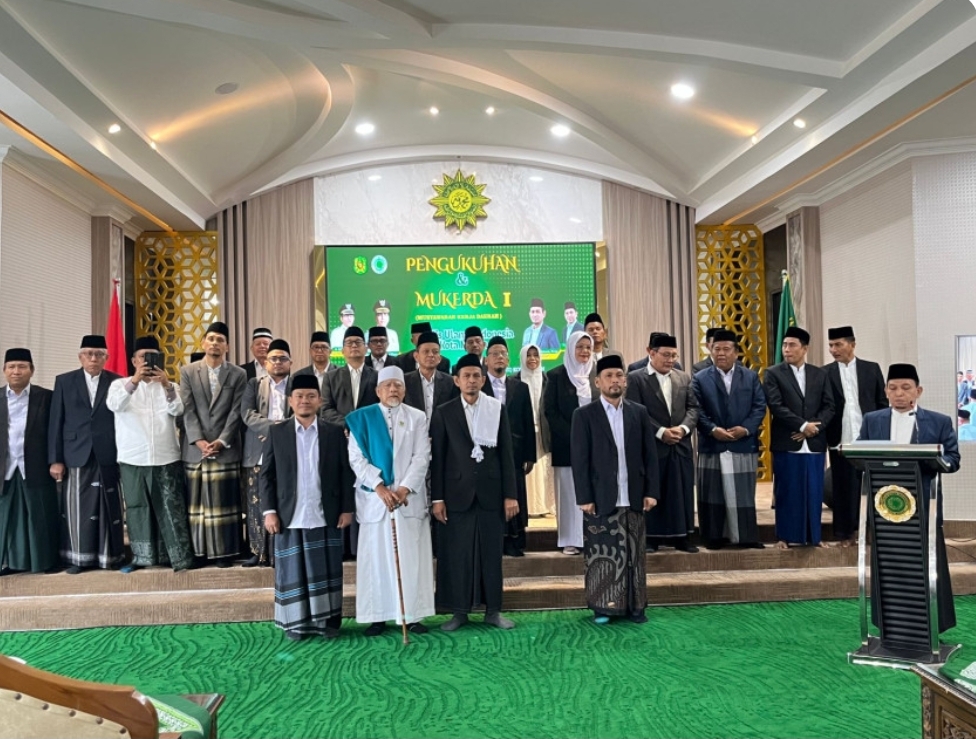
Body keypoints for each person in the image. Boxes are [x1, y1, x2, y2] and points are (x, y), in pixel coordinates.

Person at [858, 363, 961, 633]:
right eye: (893, 388)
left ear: (918, 391)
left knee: (926, 565)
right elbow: (859, 455)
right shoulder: (872, 420)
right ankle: (890, 626)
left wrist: (931, 461)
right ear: (885, 391)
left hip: (924, 505)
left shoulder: (938, 421)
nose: (899, 394)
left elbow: (953, 459)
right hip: (884, 507)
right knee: (887, 565)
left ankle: (931, 627)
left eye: (905, 388)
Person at [260, 374, 354, 641]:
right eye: (299, 396)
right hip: (288, 514)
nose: (305, 401)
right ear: (290, 401)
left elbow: (345, 473)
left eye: (311, 396)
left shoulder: (334, 433)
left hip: (326, 513)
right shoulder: (277, 432)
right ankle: (295, 625)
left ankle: (328, 624)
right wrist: (269, 511)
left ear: (320, 401)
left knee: (326, 572)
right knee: (293, 573)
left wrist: (347, 508)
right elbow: (266, 476)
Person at [430, 353, 519, 631]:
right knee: (457, 555)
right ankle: (459, 612)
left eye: (476, 376)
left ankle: (493, 611)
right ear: (456, 381)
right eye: (466, 376)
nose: (471, 380)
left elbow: (506, 453)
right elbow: (438, 458)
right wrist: (437, 498)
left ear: (483, 380)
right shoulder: (444, 412)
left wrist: (511, 494)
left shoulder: (496, 408)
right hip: (456, 495)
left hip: (491, 493)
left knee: (491, 555)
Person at [572, 354, 659, 624]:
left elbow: (650, 455)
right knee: (602, 555)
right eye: (608, 376)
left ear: (625, 381)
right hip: (601, 497)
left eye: (619, 375)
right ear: (598, 382)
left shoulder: (638, 412)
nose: (615, 380)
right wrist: (584, 496)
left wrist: (651, 491)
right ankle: (604, 607)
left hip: (633, 495)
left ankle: (636, 606)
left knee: (635, 555)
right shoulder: (584, 415)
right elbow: (580, 460)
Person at [347, 366, 433, 637]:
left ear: (404, 390)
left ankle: (412, 615)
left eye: (398, 385)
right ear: (377, 391)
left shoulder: (417, 417)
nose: (393, 390)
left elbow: (422, 456)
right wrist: (380, 487)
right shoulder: (362, 419)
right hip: (376, 499)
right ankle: (378, 616)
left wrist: (404, 488)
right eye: (388, 386)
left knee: (411, 558)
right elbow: (356, 459)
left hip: (408, 499)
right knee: (376, 559)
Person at [108, 337, 194, 572]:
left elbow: (178, 409)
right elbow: (114, 405)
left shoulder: (171, 386)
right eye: (142, 357)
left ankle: (177, 557)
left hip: (166, 456)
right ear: (134, 360)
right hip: (133, 457)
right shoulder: (120, 385)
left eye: (153, 357)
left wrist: (166, 385)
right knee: (138, 508)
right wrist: (135, 380)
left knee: (170, 507)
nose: (147, 362)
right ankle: (142, 557)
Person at [48, 335, 124, 573]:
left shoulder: (117, 381)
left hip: (107, 451)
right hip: (75, 452)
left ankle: (108, 557)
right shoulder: (64, 381)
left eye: (99, 354)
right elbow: (56, 422)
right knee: (76, 509)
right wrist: (55, 460)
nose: (93, 358)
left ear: (106, 358)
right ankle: (78, 559)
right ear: (80, 357)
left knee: (107, 506)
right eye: (89, 354)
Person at [180, 321, 248, 567]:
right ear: (203, 343)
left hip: (224, 448)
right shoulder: (188, 371)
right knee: (196, 505)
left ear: (227, 346)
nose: (215, 343)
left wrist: (221, 440)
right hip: (195, 449)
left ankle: (224, 553)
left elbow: (237, 411)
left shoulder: (238, 374)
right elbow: (187, 408)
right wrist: (199, 440)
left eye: (220, 340)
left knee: (223, 504)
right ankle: (199, 553)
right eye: (211, 339)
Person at [692, 330, 767, 550]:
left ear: (736, 352)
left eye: (726, 349)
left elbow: (759, 406)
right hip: (712, 443)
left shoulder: (750, 376)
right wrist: (712, 429)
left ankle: (745, 537)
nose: (721, 353)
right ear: (710, 350)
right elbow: (696, 409)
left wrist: (746, 429)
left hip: (742, 442)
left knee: (742, 495)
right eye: (717, 349)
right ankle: (713, 538)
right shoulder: (700, 378)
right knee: (713, 495)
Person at [626, 334, 699, 553]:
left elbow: (693, 408)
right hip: (652, 446)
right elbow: (634, 411)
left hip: (680, 444)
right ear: (651, 352)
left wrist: (683, 429)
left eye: (674, 355)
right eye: (666, 355)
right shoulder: (636, 378)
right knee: (654, 491)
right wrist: (660, 432)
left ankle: (683, 537)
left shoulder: (683, 377)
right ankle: (651, 538)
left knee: (681, 491)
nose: (671, 360)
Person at [764, 326, 835, 549]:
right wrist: (802, 425)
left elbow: (829, 406)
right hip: (788, 441)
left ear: (805, 349)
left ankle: (814, 536)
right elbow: (776, 405)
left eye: (792, 345)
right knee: (787, 490)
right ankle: (784, 537)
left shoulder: (820, 374)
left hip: (814, 442)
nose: (787, 349)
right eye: (784, 345)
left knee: (814, 491)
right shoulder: (773, 373)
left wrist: (813, 428)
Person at [823, 325, 887, 546]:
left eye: (838, 344)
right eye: (831, 345)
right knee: (842, 487)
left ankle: (870, 531)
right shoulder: (825, 373)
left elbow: (881, 403)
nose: (833, 350)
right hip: (839, 439)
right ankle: (844, 533)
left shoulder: (871, 369)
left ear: (852, 344)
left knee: (870, 486)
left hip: (868, 439)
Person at [0, 348, 59, 574]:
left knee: (40, 514)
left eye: (22, 366)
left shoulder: (46, 397)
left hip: (36, 464)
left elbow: (56, 432)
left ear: (31, 370)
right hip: (5, 467)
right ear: (5, 370)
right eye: (12, 367)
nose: (16, 371)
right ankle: (13, 563)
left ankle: (45, 561)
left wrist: (56, 460)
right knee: (9, 517)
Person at [240, 338, 293, 567]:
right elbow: (247, 413)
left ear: (290, 362)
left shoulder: (297, 384)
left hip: (288, 449)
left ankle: (282, 550)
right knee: (256, 501)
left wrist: (280, 433)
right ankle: (258, 551)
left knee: (284, 499)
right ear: (266, 362)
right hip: (258, 450)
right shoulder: (254, 384)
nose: (278, 362)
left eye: (282, 358)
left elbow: (303, 412)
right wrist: (273, 430)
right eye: (273, 359)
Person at [482, 337, 536, 557]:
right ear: (486, 360)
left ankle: (515, 541)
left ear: (508, 359)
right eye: (494, 353)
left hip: (515, 451)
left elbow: (527, 421)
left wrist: (530, 455)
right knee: (492, 494)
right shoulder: (479, 385)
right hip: (487, 451)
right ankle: (495, 540)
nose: (499, 357)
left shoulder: (520, 387)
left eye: (503, 353)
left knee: (516, 494)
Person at [544, 331, 595, 555]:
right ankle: (569, 539)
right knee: (568, 493)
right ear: (571, 348)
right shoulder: (556, 375)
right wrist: (574, 436)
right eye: (580, 347)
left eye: (588, 347)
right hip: (566, 445)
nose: (584, 351)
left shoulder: (596, 374)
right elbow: (550, 411)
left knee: (593, 490)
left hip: (596, 445)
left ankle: (591, 536)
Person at [517, 344, 555, 518]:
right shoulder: (516, 380)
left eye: (536, 355)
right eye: (529, 355)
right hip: (524, 432)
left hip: (544, 432)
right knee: (529, 471)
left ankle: (546, 506)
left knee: (544, 468)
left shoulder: (548, 379)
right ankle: (530, 507)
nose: (532, 359)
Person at [321, 327, 379, 425]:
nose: (354, 345)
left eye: (358, 342)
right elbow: (326, 409)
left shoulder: (377, 376)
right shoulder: (331, 378)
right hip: (340, 431)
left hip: (368, 429)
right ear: (343, 350)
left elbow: (381, 406)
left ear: (366, 349)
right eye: (349, 343)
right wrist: (347, 424)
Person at [403, 331, 458, 422]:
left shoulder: (449, 382)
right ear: (416, 356)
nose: (431, 355)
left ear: (439, 358)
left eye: (435, 352)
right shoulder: (405, 381)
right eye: (426, 351)